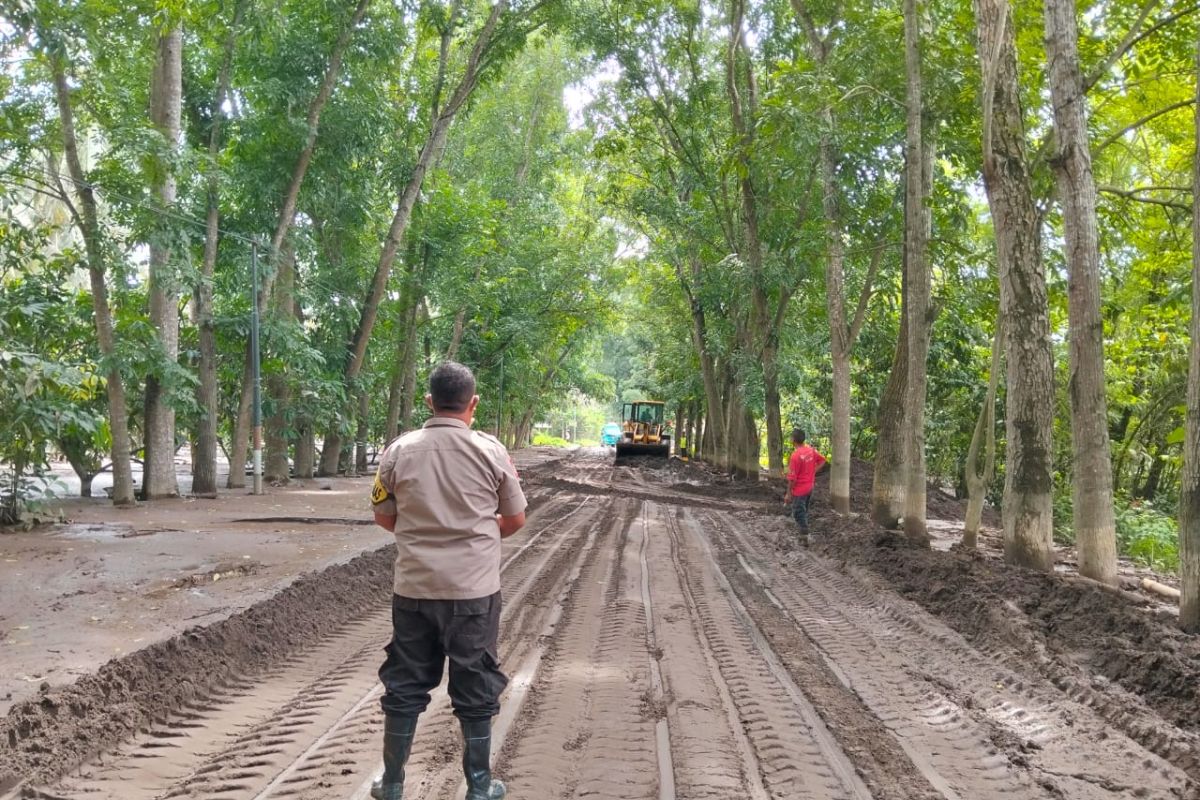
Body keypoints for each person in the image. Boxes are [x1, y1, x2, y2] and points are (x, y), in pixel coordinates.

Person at [369, 361, 527, 800]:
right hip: (473, 592)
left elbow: (384, 517)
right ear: (473, 404)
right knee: (475, 683)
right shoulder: (491, 451)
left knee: (404, 683)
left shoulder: (398, 450)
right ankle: (479, 787)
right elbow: (515, 518)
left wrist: (424, 529)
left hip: (414, 590)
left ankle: (393, 784)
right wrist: (474, 533)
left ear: (428, 401)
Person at [785, 427, 827, 540]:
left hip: (800, 490)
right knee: (804, 510)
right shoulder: (810, 450)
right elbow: (823, 460)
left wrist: (788, 493)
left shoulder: (795, 456)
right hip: (810, 487)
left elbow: (792, 479)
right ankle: (802, 530)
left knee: (798, 512)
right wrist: (813, 471)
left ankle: (804, 536)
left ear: (793, 440)